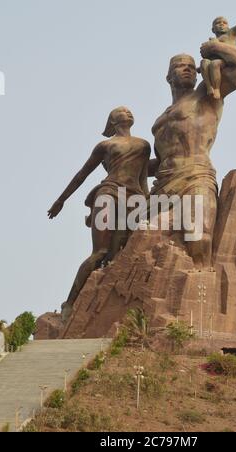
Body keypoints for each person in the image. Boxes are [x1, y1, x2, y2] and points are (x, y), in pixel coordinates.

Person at [149, 40, 236, 269]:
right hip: (163, 183)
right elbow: (158, 162)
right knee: (143, 238)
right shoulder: (160, 120)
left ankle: (199, 293)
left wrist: (214, 48)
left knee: (198, 237)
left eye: (191, 65)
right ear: (168, 76)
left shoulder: (207, 95)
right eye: (180, 65)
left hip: (196, 176)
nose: (187, 68)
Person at [48, 107, 150, 320]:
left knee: (120, 253)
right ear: (112, 121)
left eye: (129, 110)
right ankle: (70, 302)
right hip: (108, 194)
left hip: (133, 199)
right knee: (100, 253)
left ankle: (107, 306)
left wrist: (147, 205)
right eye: (121, 111)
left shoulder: (144, 145)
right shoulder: (106, 145)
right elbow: (81, 175)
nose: (128, 112)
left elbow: (143, 178)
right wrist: (61, 200)